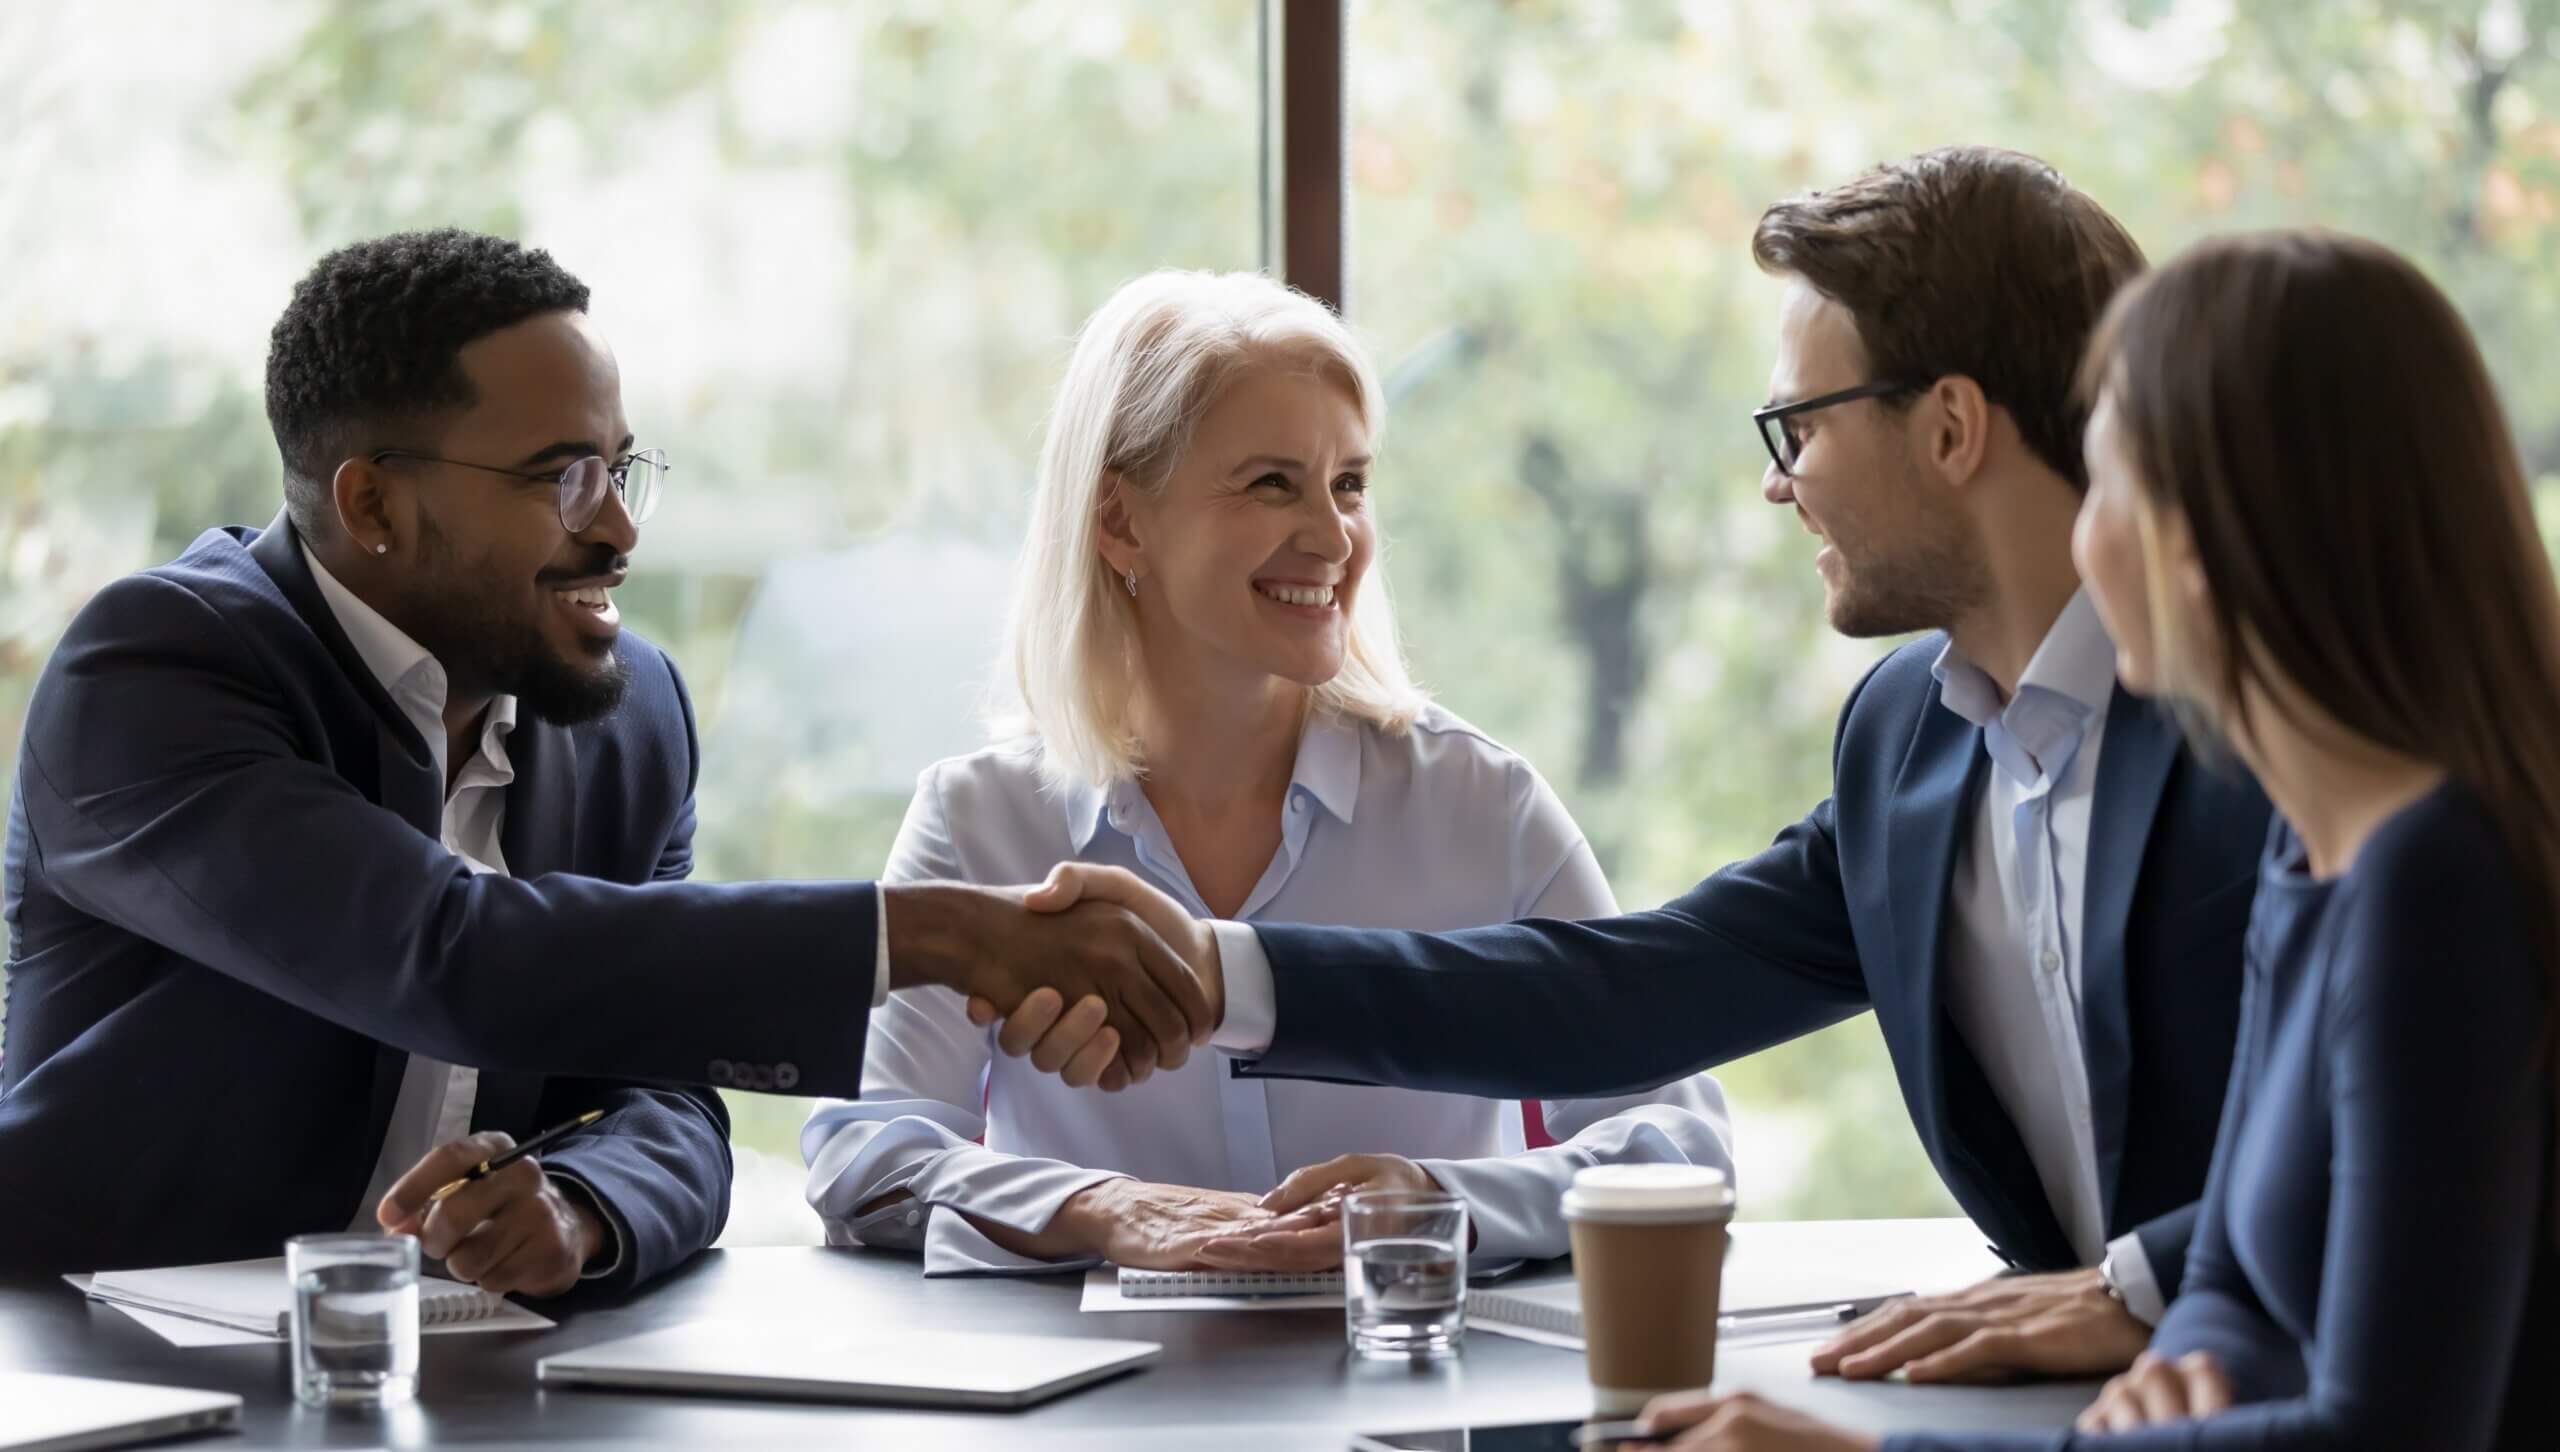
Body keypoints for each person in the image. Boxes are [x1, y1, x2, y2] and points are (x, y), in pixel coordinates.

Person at [1003, 147, 2274, 1382]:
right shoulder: (1908, 742)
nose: (1782, 487)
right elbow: (1624, 991)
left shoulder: (2282, 715)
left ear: (1949, 429)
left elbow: (2421, 1114)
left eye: (1798, 426)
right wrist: (1204, 968)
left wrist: (2140, 1286)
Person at [0, 229, 1212, 1294]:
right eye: (561, 477)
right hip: (104, 1370)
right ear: (372, 504)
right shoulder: (156, 677)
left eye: (621, 468)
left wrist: (579, 1208)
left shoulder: (628, 718)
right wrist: (943, 934)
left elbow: (670, 1099)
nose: (620, 527)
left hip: (466, 1383)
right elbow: (446, 954)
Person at [1632, 230, 2560, 1450]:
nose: (2078, 536)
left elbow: (2391, 1431)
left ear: (2230, 525)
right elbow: (2229, 1273)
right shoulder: (2315, 858)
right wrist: (2190, 1363)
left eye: (2109, 481)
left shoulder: (2433, 881)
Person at [800, 270, 1732, 1274]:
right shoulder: (981, 819)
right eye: (1271, 484)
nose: (1333, 538)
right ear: (1119, 523)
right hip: (1105, 1414)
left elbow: (1675, 1144)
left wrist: (1435, 1201)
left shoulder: (1480, 804)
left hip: (1415, 1391)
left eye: (1351, 485)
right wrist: (1099, 1208)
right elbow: (866, 1151)